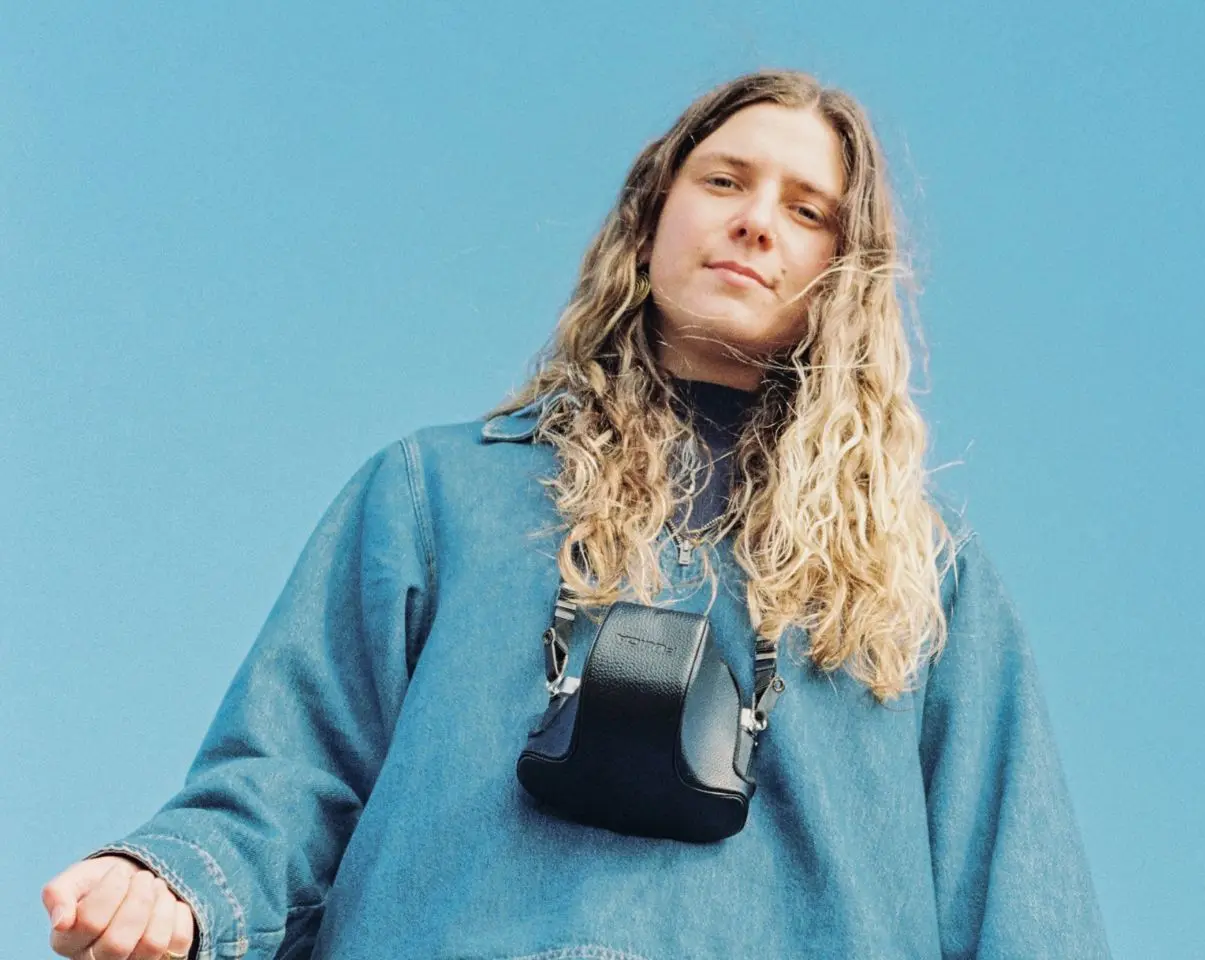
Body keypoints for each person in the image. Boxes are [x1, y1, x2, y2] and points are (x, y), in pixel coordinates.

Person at [41, 69, 1111, 959]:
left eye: (805, 209)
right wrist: (177, 881)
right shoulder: (436, 493)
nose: (752, 221)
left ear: (845, 270)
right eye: (724, 180)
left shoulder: (926, 581)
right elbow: (286, 773)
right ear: (649, 219)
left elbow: (1015, 897)